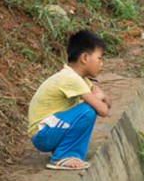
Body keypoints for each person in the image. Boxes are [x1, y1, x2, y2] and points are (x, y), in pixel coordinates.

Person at [27, 30, 111, 171]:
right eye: (99, 58)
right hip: (42, 135)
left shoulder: (80, 79)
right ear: (85, 58)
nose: (102, 63)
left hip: (50, 131)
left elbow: (107, 103)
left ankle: (65, 151)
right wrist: (98, 97)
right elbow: (103, 110)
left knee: (87, 109)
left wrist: (101, 96)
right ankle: (62, 157)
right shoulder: (70, 79)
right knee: (87, 111)